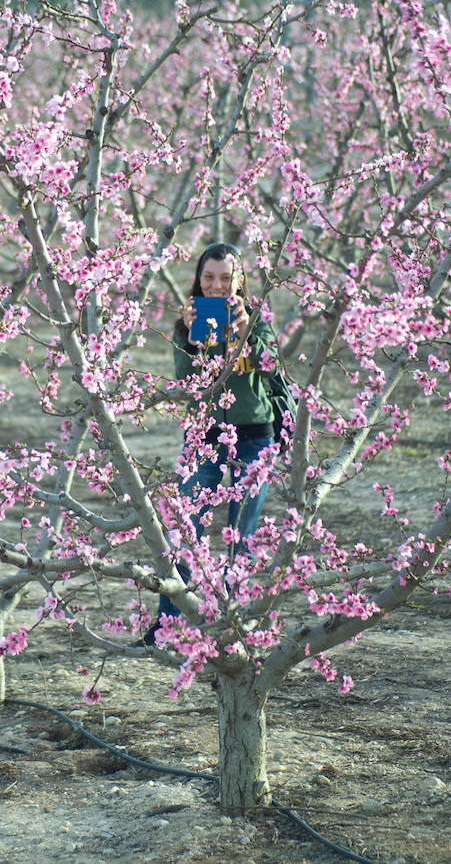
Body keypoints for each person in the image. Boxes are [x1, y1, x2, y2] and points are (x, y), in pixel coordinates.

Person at [152, 241, 278, 633]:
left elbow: (270, 365)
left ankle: (230, 621)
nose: (217, 286)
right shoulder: (186, 322)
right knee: (187, 526)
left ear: (240, 280)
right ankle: (170, 624)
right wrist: (192, 339)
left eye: (226, 277)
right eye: (209, 276)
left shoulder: (257, 320)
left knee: (243, 533)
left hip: (255, 435)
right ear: (198, 278)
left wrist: (245, 334)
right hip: (204, 434)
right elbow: (187, 383)